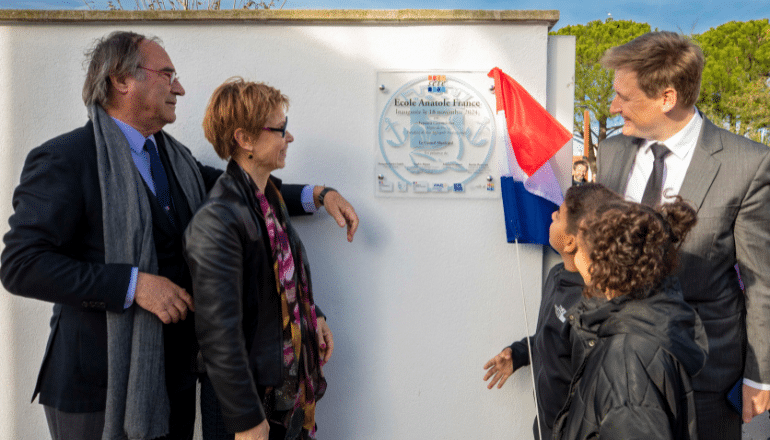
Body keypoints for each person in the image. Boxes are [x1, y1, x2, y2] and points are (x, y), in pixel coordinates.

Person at [0, 31, 357, 440]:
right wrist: (134, 285)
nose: (180, 88)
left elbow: (240, 188)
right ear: (122, 80)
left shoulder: (175, 159)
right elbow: (21, 266)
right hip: (96, 389)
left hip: (173, 383)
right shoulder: (66, 159)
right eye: (168, 75)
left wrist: (316, 196)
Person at [597, 31, 770, 438]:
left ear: (667, 98)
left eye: (624, 96)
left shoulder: (748, 164)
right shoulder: (613, 152)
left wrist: (760, 377)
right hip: (620, 367)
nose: (612, 106)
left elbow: (763, 283)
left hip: (704, 377)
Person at [184, 78, 333, 440]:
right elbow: (217, 332)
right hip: (249, 410)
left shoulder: (268, 201)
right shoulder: (218, 219)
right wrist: (247, 419)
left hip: (283, 399)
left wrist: (315, 317)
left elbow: (279, 282)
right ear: (245, 139)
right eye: (280, 129)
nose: (289, 137)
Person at [552, 197, 708, 440]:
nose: (577, 258)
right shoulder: (649, 321)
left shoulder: (626, 366)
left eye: (582, 248)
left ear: (603, 266)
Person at [482, 183, 620, 440]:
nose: (552, 216)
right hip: (547, 428)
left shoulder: (593, 303)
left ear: (569, 242)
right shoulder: (556, 275)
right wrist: (520, 352)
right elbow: (550, 337)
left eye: (558, 215)